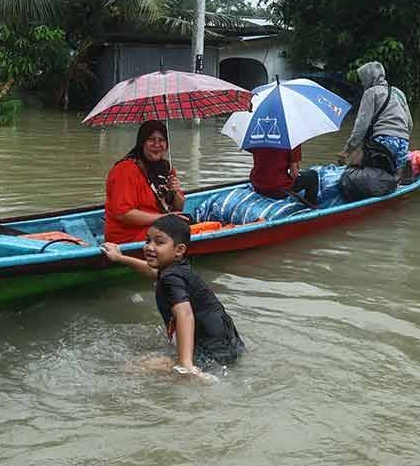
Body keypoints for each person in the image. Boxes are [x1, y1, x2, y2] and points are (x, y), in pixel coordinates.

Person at [101, 215, 245, 378]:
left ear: (179, 250)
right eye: (148, 240)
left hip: (211, 354)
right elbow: (152, 271)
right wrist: (120, 258)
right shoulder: (177, 268)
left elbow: (184, 313)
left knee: (129, 369)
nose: (149, 247)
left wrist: (185, 363)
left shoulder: (171, 278)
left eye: (159, 242)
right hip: (230, 345)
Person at [104, 120, 186, 244]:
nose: (157, 144)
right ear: (142, 143)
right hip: (128, 236)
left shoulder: (166, 167)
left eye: (162, 140)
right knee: (184, 231)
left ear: (167, 144)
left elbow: (178, 209)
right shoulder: (125, 169)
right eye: (151, 139)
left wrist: (175, 193)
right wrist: (164, 218)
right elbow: (124, 214)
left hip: (158, 227)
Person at [339, 61, 413, 180]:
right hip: (403, 142)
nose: (363, 83)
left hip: (383, 142)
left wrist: (347, 151)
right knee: (396, 179)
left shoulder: (370, 93)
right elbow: (409, 124)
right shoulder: (399, 93)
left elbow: (361, 127)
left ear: (368, 78)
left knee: (356, 163)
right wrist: (401, 141)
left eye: (363, 79)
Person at [249, 144, 319, 206]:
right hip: (278, 190)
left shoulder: (259, 138)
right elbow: (294, 174)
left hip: (257, 185)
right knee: (313, 175)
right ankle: (310, 206)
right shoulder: (292, 141)